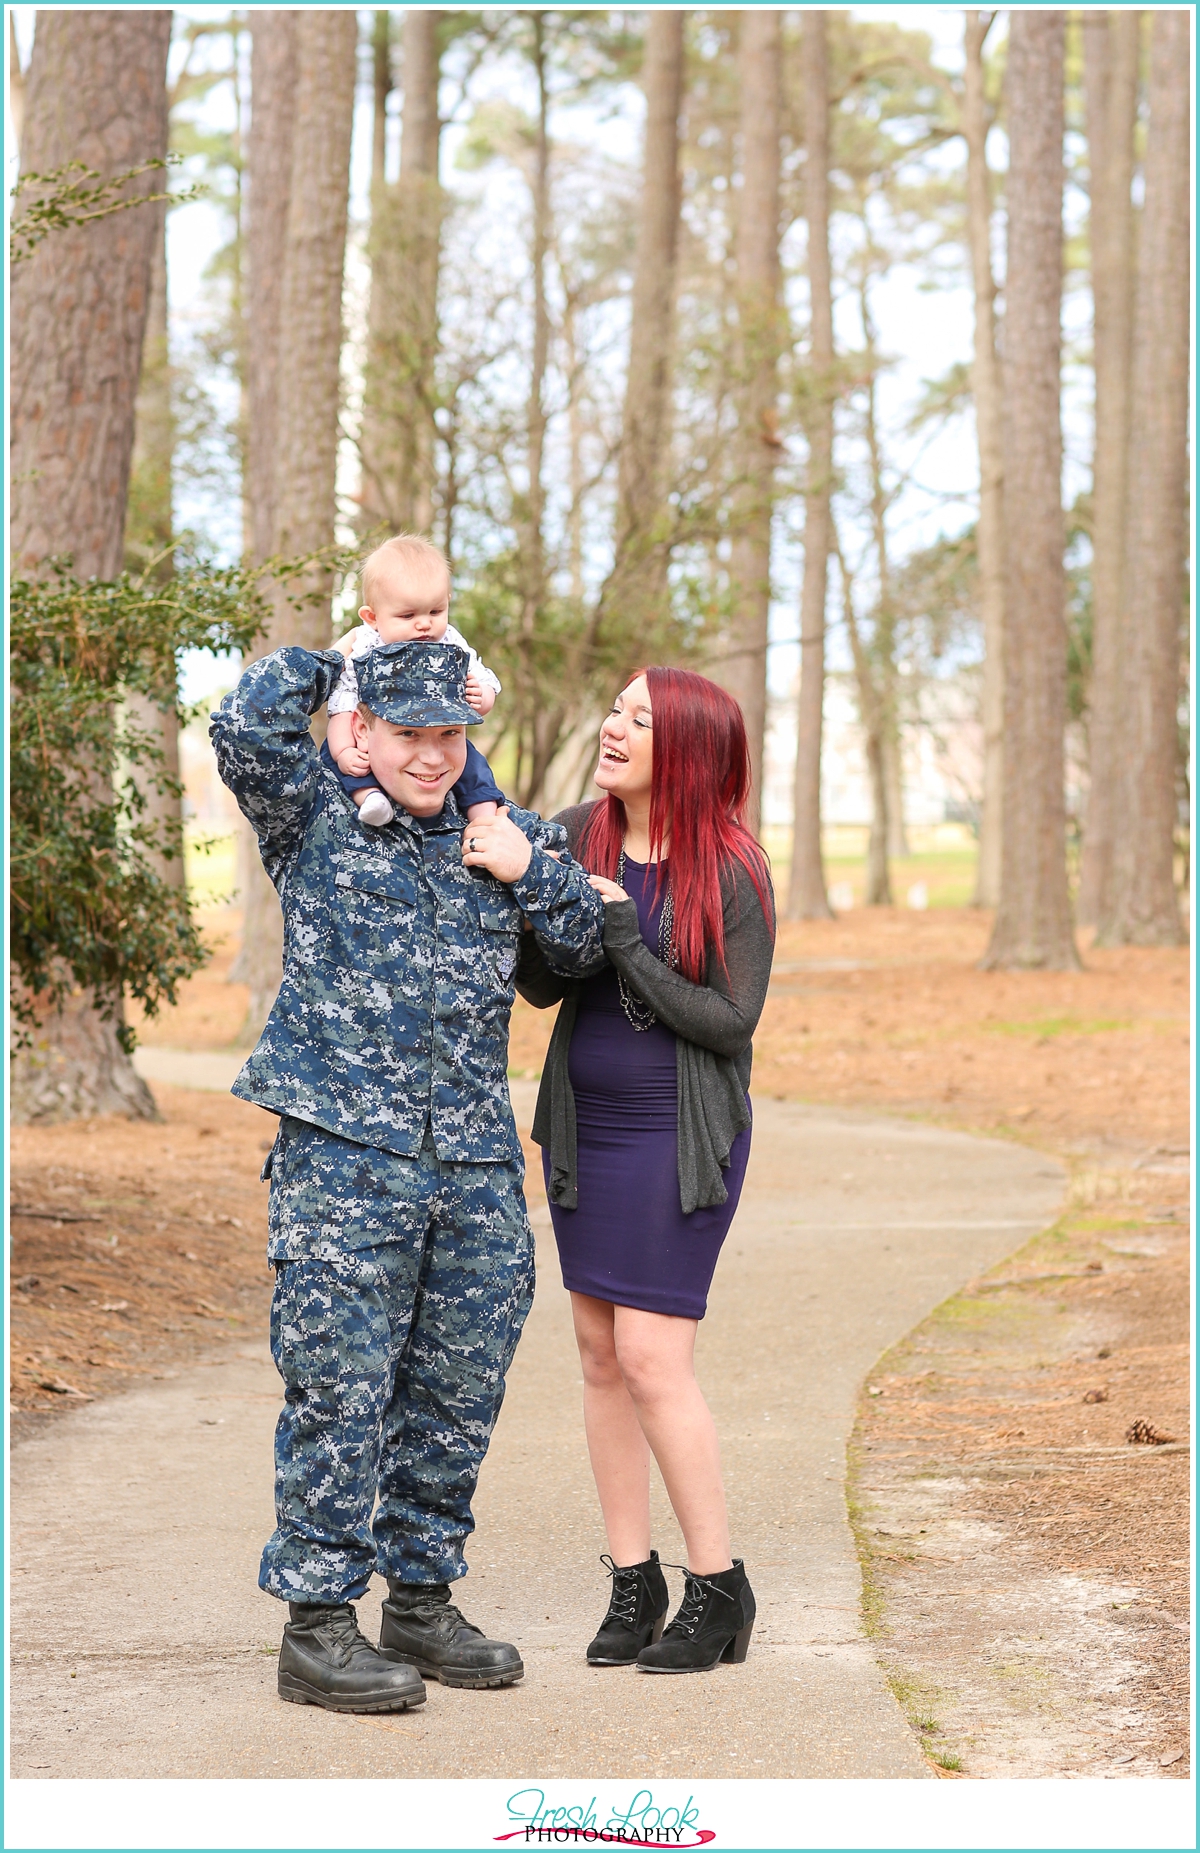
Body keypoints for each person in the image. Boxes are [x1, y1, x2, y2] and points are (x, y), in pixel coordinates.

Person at [210, 636, 605, 1714]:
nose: (431, 755)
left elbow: (579, 948)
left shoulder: (496, 830)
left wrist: (528, 868)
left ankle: (421, 1599)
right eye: (408, 733)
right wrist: (331, 655)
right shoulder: (316, 823)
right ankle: (318, 1623)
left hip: (473, 1163)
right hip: (343, 1156)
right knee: (339, 1389)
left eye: (447, 733)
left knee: (455, 1391)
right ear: (363, 732)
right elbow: (241, 731)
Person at [516, 666, 776, 1674]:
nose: (612, 725)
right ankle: (636, 1580)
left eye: (639, 718)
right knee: (597, 1355)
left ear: (691, 750)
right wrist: (526, 900)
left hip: (678, 1130)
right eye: (614, 707)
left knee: (656, 1359)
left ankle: (720, 1586)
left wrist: (623, 934)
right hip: (586, 1124)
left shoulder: (733, 866)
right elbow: (544, 984)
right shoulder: (581, 831)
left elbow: (728, 1021)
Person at [326, 532, 505, 829]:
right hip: (363, 743)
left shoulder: (450, 641)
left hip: (441, 714)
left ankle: (485, 818)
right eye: (408, 615)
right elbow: (343, 703)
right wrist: (344, 749)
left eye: (436, 611)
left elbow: (482, 677)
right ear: (372, 617)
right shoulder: (366, 647)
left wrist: (482, 696)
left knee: (475, 766)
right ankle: (369, 797)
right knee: (345, 762)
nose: (424, 624)